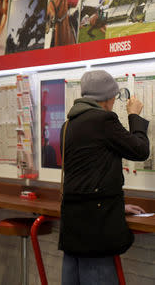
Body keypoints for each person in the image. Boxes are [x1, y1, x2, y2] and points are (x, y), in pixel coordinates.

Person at [59, 70, 149, 285]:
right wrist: (134, 116)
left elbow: (87, 175)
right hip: (96, 230)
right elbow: (140, 150)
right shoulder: (103, 119)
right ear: (107, 98)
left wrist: (117, 206)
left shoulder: (68, 124)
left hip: (73, 225)